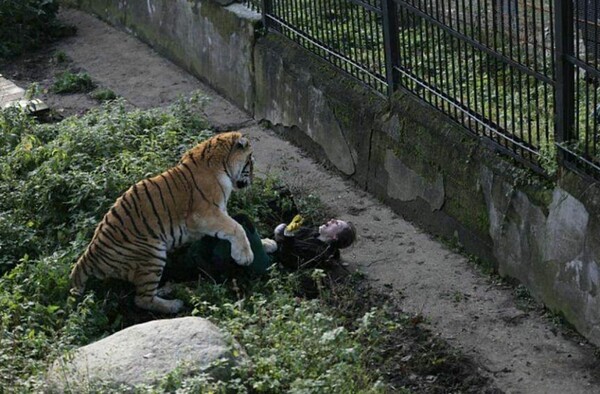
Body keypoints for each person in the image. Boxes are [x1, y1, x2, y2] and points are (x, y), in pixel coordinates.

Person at [274, 215, 357, 270]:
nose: (332, 220)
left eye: (337, 223)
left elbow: (287, 260)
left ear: (335, 237)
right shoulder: (313, 232)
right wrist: (284, 231)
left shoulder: (318, 254)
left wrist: (287, 235)